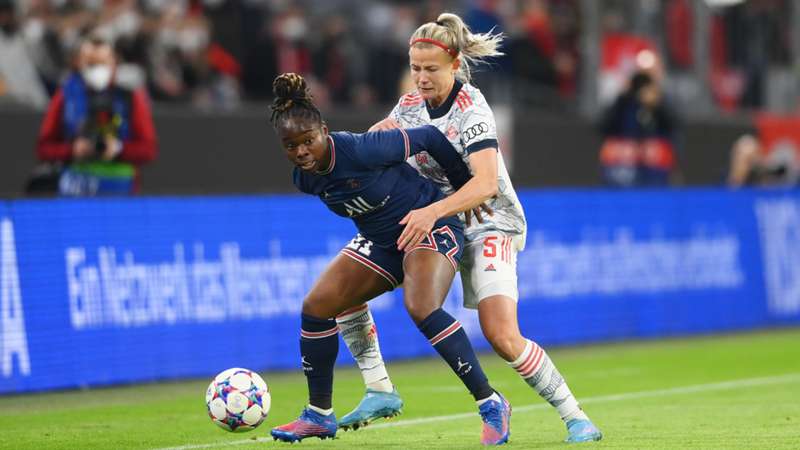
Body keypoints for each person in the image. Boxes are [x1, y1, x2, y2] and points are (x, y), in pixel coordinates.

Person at [335, 13, 602, 443]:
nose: (420, 78)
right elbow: (378, 144)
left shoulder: (471, 110)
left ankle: (575, 417)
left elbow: (484, 184)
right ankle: (378, 387)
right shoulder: (407, 107)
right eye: (415, 68)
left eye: (431, 70)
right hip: (435, 218)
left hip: (486, 220)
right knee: (344, 291)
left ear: (455, 64)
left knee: (501, 334)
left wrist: (432, 211)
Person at [267, 72, 511, 446]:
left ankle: (491, 402)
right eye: (290, 145)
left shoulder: (361, 149)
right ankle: (319, 414)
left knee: (421, 307)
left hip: (429, 222)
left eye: (308, 141)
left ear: (325, 132)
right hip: (383, 242)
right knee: (317, 306)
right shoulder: (306, 179)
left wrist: (463, 187)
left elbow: (429, 138)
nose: (301, 151)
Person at [35, 33, 157, 196]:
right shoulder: (65, 96)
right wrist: (72, 150)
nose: (97, 69)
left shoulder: (130, 97)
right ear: (78, 62)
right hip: (76, 189)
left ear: (114, 62)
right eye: (91, 63)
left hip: (120, 192)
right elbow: (44, 148)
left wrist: (118, 149)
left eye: (102, 62)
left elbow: (148, 149)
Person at [599, 70, 677, 188]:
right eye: (642, 90)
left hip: (653, 165)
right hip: (623, 164)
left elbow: (672, 129)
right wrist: (623, 99)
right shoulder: (623, 104)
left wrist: (657, 106)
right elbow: (605, 128)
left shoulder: (659, 107)